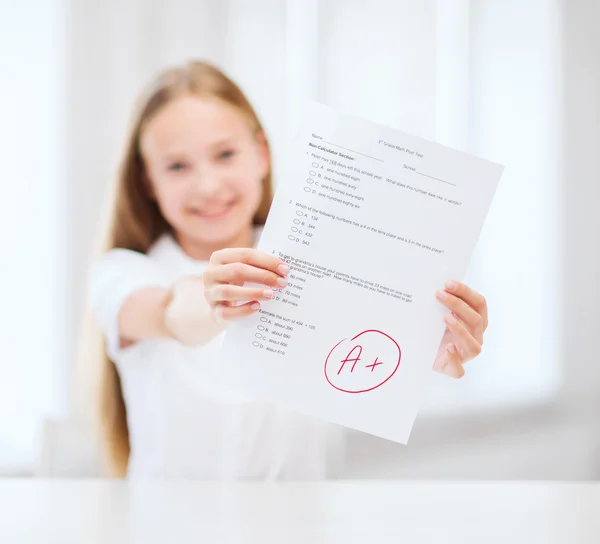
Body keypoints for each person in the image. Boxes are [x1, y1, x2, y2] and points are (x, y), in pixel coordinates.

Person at [83, 61, 489, 480]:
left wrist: (424, 342)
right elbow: (169, 310)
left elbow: (365, 364)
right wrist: (215, 301)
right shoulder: (121, 275)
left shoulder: (331, 258)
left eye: (225, 154)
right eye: (177, 167)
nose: (208, 186)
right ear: (148, 182)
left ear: (260, 154)